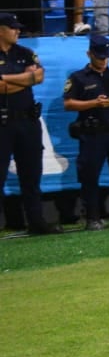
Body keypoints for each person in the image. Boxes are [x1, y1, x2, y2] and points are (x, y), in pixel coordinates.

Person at [63, 35, 109, 230]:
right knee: (89, 175)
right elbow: (68, 104)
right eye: (99, 57)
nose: (104, 61)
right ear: (89, 54)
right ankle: (92, 216)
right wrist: (94, 103)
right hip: (93, 134)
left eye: (106, 57)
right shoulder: (78, 78)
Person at [0, 12, 60, 234]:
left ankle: (37, 222)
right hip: (2, 123)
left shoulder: (25, 52)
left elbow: (39, 77)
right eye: (12, 27)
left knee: (32, 174)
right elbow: (28, 80)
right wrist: (25, 80)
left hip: (28, 121)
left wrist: (5, 79)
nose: (18, 31)